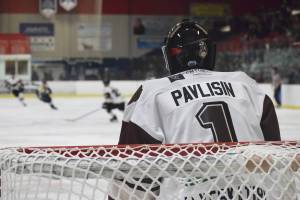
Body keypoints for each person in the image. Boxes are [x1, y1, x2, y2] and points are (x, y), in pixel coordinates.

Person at [110, 20, 281, 200]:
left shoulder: (151, 94)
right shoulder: (246, 84)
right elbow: (278, 159)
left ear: (170, 56)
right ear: (209, 53)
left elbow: (132, 182)